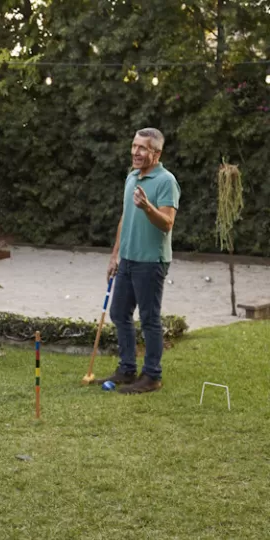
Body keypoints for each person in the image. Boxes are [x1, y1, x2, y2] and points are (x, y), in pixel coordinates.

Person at [96, 128, 180, 394]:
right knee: (119, 312)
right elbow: (125, 217)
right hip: (128, 260)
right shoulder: (131, 178)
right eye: (134, 146)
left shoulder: (166, 181)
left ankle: (152, 376)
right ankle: (127, 368)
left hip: (151, 261)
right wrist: (115, 254)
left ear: (156, 153)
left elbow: (167, 223)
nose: (135, 152)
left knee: (149, 318)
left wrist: (147, 207)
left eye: (142, 148)